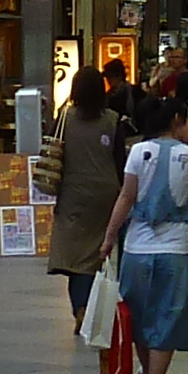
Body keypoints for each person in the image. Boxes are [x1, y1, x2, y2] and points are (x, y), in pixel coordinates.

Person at [99, 85, 188, 374]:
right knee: (169, 315)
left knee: (139, 314)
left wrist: (108, 238)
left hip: (136, 246)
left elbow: (126, 197)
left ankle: (148, 373)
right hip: (176, 247)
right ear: (177, 120)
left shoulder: (137, 151)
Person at [47, 64, 132, 332]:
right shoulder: (113, 120)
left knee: (75, 259)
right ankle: (94, 308)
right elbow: (120, 162)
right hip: (106, 196)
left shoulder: (64, 118)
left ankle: (81, 308)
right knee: (98, 254)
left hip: (72, 194)